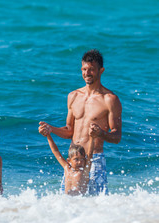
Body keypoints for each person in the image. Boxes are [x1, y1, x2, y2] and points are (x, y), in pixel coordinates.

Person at [39, 49, 122, 195]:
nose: (87, 73)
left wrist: (101, 133)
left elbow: (117, 137)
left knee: (97, 205)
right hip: (73, 161)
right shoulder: (73, 96)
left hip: (94, 159)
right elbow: (69, 131)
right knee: (69, 203)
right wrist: (50, 129)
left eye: (91, 69)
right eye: (84, 69)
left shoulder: (110, 99)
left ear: (101, 70)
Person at [45, 131, 94, 196]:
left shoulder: (84, 171)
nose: (80, 162)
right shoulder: (67, 168)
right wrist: (48, 135)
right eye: (76, 159)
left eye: (82, 159)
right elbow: (55, 151)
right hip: (67, 202)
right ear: (69, 161)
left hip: (80, 202)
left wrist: (92, 137)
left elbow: (90, 154)